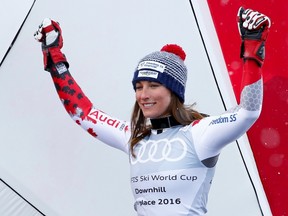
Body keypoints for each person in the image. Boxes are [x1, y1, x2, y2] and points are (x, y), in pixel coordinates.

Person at [34, 7, 271, 216]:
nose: (143, 95)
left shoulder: (200, 134)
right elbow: (83, 113)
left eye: (153, 86)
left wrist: (253, 47)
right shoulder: (134, 137)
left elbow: (247, 112)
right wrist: (56, 59)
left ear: (174, 92)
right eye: (138, 87)